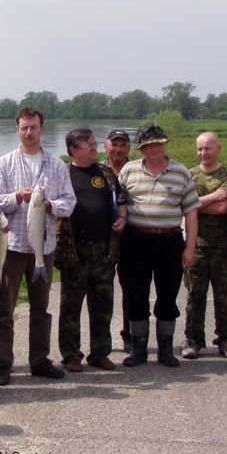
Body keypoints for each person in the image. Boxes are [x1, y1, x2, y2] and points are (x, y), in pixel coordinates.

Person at [0, 107, 76, 385]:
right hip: (12, 247)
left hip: (43, 249)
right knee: (5, 309)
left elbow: (69, 203)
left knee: (41, 308)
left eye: (34, 127)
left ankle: (39, 360)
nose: (29, 132)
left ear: (42, 129)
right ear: (17, 130)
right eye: (24, 127)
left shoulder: (57, 165)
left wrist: (49, 205)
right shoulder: (4, 164)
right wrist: (16, 197)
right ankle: (3, 363)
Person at [118, 124, 200, 367]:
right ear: (141, 148)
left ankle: (165, 350)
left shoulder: (180, 172)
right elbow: (118, 203)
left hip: (169, 241)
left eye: (159, 144)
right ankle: (138, 349)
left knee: (167, 296)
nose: (155, 148)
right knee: (136, 296)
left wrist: (190, 248)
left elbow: (191, 213)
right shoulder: (129, 170)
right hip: (136, 240)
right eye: (149, 145)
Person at [56, 129, 127, 372]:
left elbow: (121, 201)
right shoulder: (63, 174)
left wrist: (122, 219)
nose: (94, 147)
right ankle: (71, 355)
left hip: (103, 251)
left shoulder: (106, 173)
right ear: (73, 150)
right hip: (74, 252)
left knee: (103, 305)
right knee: (70, 307)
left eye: (95, 143)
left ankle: (100, 353)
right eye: (89, 144)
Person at [181, 132, 227, 360]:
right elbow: (183, 206)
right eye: (200, 149)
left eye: (208, 148)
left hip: (221, 247)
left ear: (219, 149)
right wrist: (213, 196)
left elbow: (222, 208)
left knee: (223, 296)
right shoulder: (189, 175)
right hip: (195, 245)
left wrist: (194, 205)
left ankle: (225, 339)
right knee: (194, 295)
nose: (203, 153)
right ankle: (193, 340)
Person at [102, 128, 133, 350]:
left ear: (129, 147)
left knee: (131, 289)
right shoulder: (97, 170)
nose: (118, 149)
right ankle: (102, 340)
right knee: (103, 291)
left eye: (123, 145)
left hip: (131, 238)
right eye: (114, 144)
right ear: (106, 146)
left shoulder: (138, 170)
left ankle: (129, 334)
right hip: (103, 240)